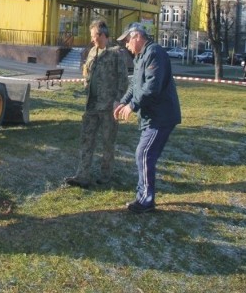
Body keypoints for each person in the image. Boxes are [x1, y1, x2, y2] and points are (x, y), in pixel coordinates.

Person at [113, 23, 181, 214]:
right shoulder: (140, 57)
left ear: (136, 37)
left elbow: (152, 87)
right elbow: (135, 84)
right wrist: (123, 102)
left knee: (143, 154)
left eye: (127, 41)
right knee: (146, 155)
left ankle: (145, 200)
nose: (126, 45)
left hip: (161, 116)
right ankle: (144, 197)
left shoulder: (154, 52)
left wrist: (132, 106)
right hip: (152, 117)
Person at [65, 20, 128, 188]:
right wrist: (86, 84)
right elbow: (87, 71)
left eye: (94, 36)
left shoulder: (116, 54)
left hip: (108, 107)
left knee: (108, 142)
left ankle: (106, 175)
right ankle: (82, 175)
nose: (92, 39)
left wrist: (118, 101)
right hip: (91, 105)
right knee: (86, 140)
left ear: (101, 35)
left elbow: (123, 81)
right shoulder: (92, 51)